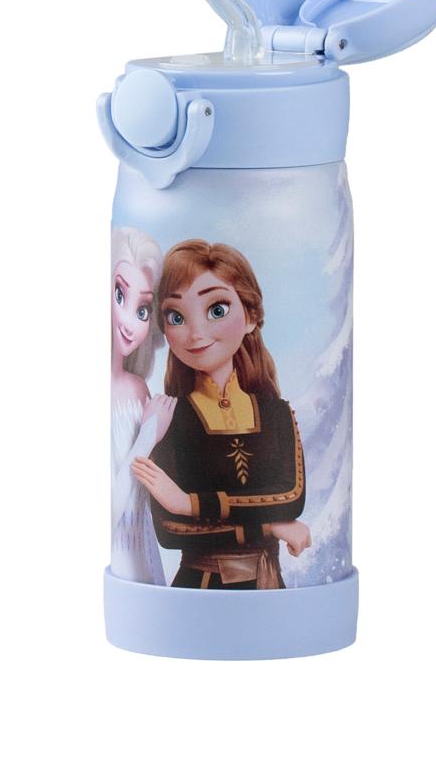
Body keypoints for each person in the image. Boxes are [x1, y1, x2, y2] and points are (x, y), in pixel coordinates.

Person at [133, 240, 311, 590]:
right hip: (198, 588)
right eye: (176, 317)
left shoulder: (275, 412)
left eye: (217, 309)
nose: (195, 333)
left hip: (268, 587)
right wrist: (270, 524)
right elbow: (171, 530)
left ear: (251, 317)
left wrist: (191, 503)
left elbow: (290, 498)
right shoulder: (170, 417)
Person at [110, 227, 175, 584]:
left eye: (143, 309)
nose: (130, 323)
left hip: (146, 559)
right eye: (119, 295)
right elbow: (110, 509)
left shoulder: (137, 390)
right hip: (120, 563)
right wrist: (148, 434)